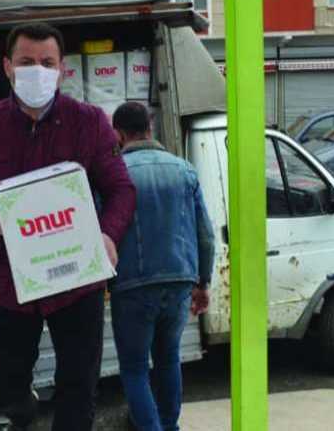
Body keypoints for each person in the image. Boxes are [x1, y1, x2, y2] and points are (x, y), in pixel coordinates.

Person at [0, 23, 137, 431]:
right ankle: (21, 408)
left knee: (79, 387)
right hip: (7, 283)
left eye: (47, 63)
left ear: (62, 69)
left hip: (76, 279)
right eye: (26, 62)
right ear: (7, 67)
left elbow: (121, 190)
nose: (37, 71)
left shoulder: (89, 122)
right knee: (5, 385)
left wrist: (108, 234)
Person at [109, 102, 215, 431]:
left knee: (135, 368)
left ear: (118, 135)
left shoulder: (114, 174)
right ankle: (170, 427)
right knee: (169, 360)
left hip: (131, 287)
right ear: (150, 129)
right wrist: (203, 282)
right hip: (180, 282)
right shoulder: (183, 169)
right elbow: (205, 234)